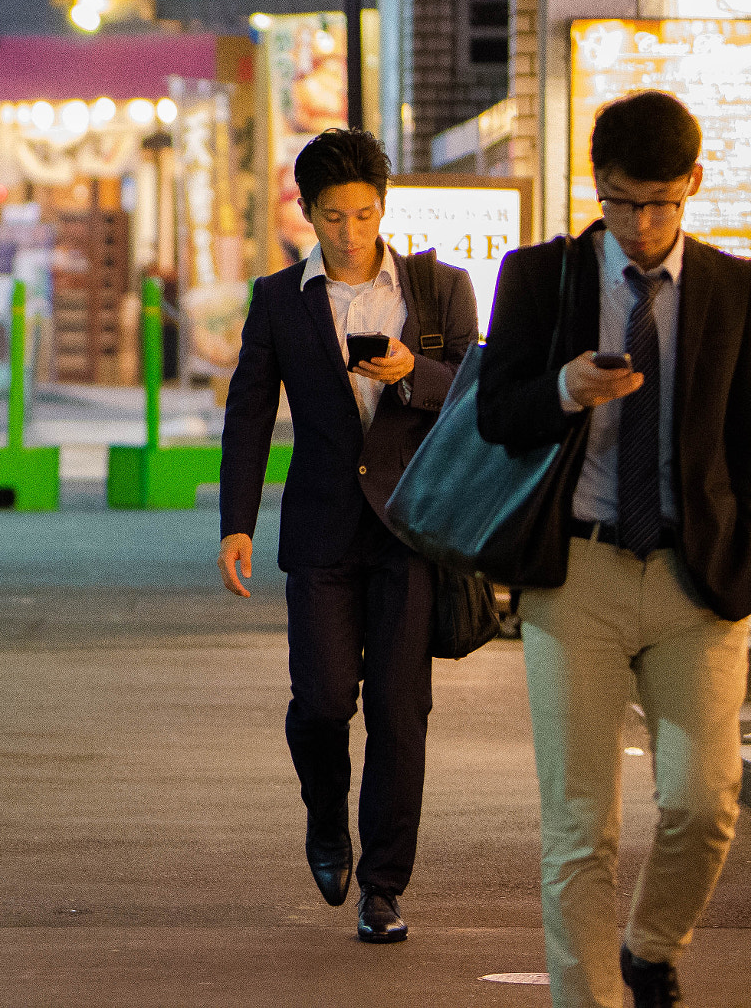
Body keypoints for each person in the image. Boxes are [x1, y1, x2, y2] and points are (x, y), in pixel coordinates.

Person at [478, 90, 751, 1008]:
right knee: (579, 826)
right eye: (626, 201)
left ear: (694, 187)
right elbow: (494, 415)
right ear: (596, 186)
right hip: (578, 571)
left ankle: (652, 943)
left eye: (664, 202)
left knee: (704, 799)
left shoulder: (734, 291)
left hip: (694, 576)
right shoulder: (539, 278)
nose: (643, 224)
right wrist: (560, 387)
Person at [217, 128, 478, 945]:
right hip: (323, 528)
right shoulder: (278, 300)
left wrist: (418, 376)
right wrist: (236, 523)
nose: (352, 233)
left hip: (411, 528)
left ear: (382, 209)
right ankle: (326, 817)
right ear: (307, 213)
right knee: (324, 700)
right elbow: (249, 412)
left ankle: (383, 887)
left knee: (401, 714)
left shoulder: (438, 289)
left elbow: (481, 389)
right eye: (335, 217)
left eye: (366, 215)